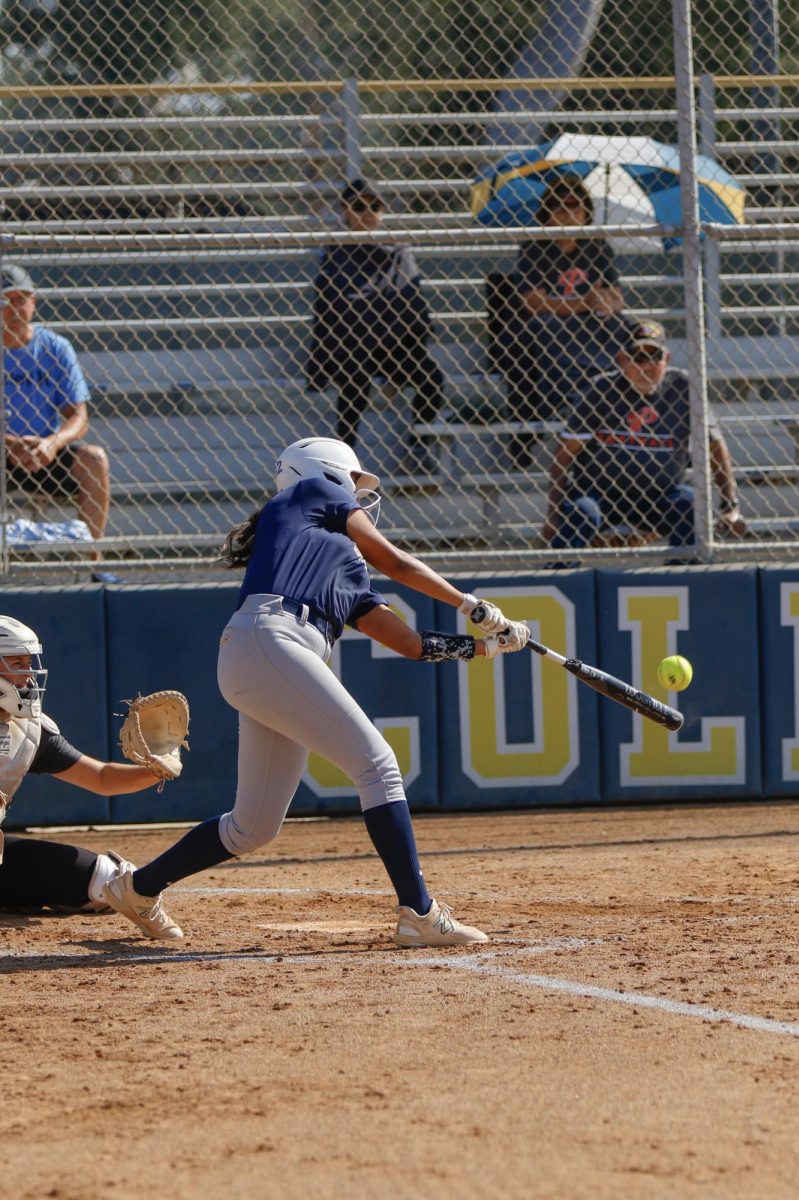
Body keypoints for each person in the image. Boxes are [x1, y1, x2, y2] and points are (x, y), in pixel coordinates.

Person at [102, 436, 531, 945]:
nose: (358, 494)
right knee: (377, 765)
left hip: (266, 653)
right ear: (326, 471)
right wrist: (472, 605)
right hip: (273, 638)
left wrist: (486, 648)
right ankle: (418, 912)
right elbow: (398, 563)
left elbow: (409, 643)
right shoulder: (312, 490)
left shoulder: (340, 564)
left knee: (252, 827)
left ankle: (138, 888)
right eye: (354, 482)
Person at [0, 614, 178, 921]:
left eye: (29, 663)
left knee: (107, 880)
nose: (28, 676)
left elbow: (102, 778)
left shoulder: (28, 731)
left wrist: (155, 770)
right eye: (16, 664)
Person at [542, 320, 747, 554]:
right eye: (637, 357)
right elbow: (564, 454)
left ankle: (685, 577)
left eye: (654, 357)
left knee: (691, 505)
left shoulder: (683, 387)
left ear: (666, 359)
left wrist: (731, 506)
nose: (646, 366)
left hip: (659, 497)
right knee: (580, 512)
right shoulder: (600, 390)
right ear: (622, 359)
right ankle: (561, 574)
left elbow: (714, 445)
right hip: (599, 495)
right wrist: (553, 514)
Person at [306, 179, 445, 473]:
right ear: (344, 211)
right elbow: (330, 307)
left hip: (395, 343)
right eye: (359, 206)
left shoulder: (397, 248)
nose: (368, 212)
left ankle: (417, 449)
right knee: (354, 380)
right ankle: (343, 463)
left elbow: (411, 298)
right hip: (354, 344)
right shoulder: (337, 250)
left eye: (375, 206)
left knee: (431, 377)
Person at [506, 176, 626, 467]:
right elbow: (534, 303)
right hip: (552, 326)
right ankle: (564, 403)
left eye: (574, 205)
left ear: (585, 211)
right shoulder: (535, 247)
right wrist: (583, 302)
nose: (567, 212)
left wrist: (604, 303)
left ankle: (618, 408)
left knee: (630, 329)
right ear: (546, 214)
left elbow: (616, 298)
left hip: (591, 324)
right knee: (543, 329)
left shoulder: (596, 245)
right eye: (558, 206)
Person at [2, 264, 111, 553]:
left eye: (20, 299)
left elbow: (78, 416)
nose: (14, 309)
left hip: (45, 452)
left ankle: (93, 560)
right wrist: (9, 443)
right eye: (5, 301)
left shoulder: (54, 347)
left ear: (34, 302)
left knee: (94, 459)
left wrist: (52, 443)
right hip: (4, 450)